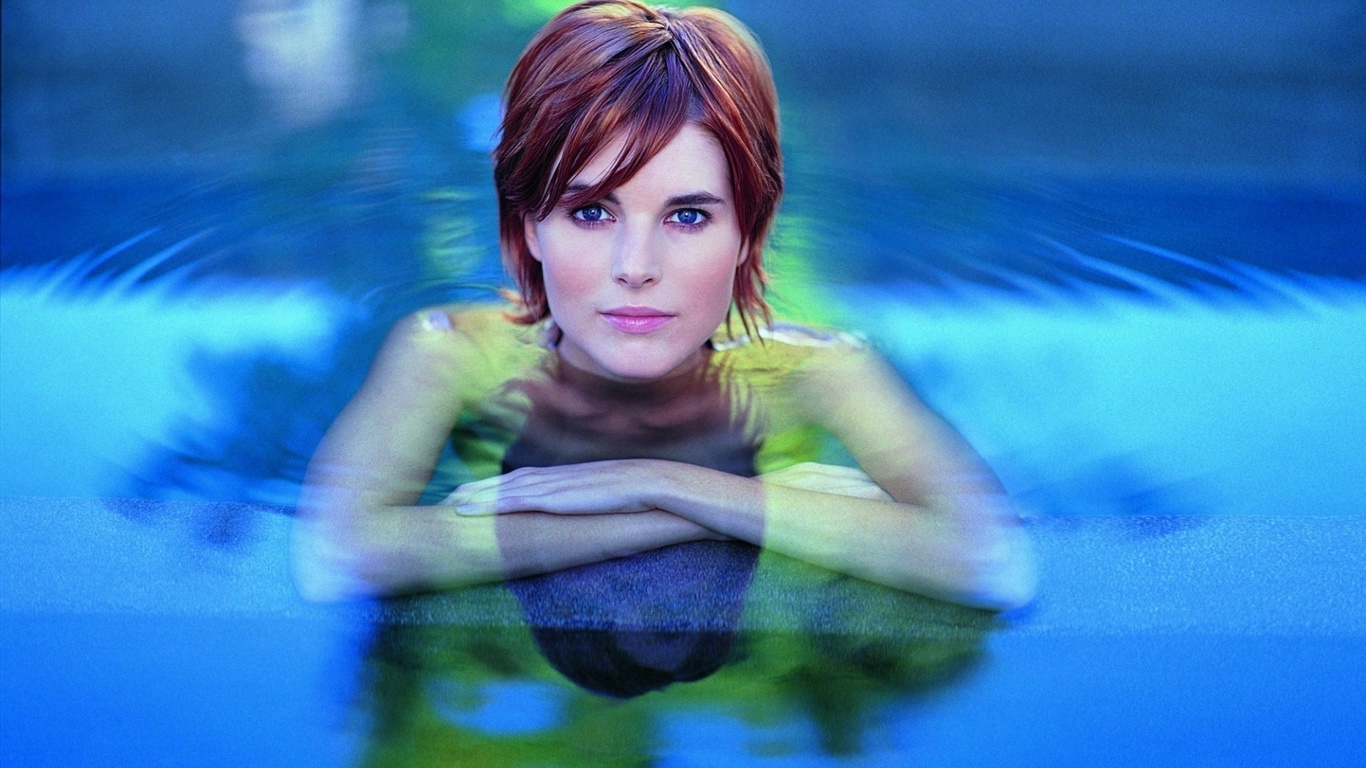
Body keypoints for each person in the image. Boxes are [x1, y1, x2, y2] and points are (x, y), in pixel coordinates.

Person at [293, 0, 1036, 610]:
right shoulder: (453, 353)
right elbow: (337, 555)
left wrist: (656, 480)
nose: (636, 268)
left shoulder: (814, 371)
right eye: (591, 212)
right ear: (529, 226)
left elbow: (993, 560)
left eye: (687, 216)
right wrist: (714, 510)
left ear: (750, 231)